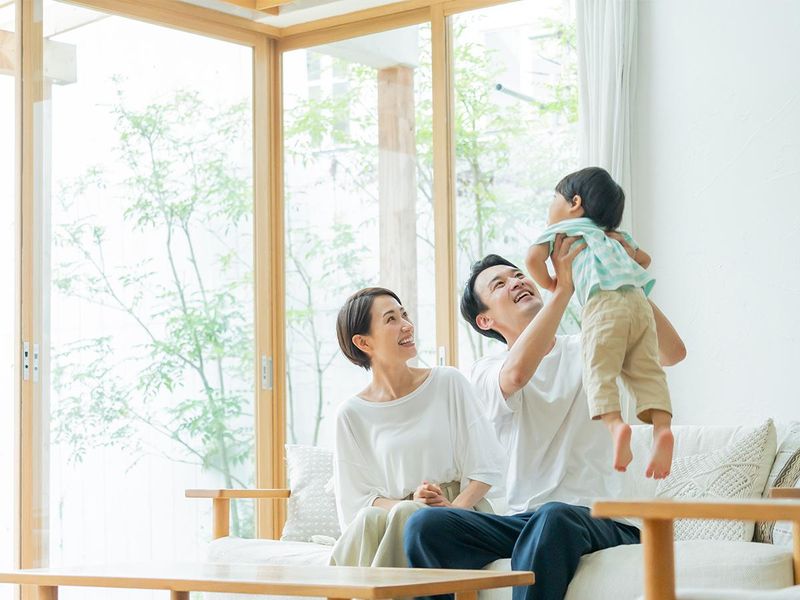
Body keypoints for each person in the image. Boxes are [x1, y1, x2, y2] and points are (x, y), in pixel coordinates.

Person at [404, 236, 686, 600]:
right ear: (485, 320)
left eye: (518, 275)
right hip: (527, 521)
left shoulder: (592, 345)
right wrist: (563, 290)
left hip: (606, 519)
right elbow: (517, 375)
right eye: (499, 284)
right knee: (425, 525)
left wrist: (625, 276)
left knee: (554, 516)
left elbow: (672, 353)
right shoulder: (485, 371)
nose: (517, 282)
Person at [330, 286, 505, 569]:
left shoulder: (448, 382)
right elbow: (356, 501)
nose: (407, 325)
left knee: (413, 517)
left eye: (404, 315)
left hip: (459, 513)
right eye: (391, 319)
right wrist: (412, 505)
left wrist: (451, 510)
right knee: (375, 518)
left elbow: (487, 467)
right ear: (363, 342)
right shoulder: (351, 415)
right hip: (392, 520)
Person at [526, 166, 672, 478]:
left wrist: (552, 283)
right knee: (647, 370)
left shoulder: (564, 231)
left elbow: (532, 260)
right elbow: (644, 260)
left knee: (599, 369)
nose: (550, 207)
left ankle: (616, 426)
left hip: (602, 304)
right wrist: (622, 252)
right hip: (638, 303)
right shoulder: (614, 235)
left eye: (554, 198)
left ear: (574, 202)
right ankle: (662, 429)